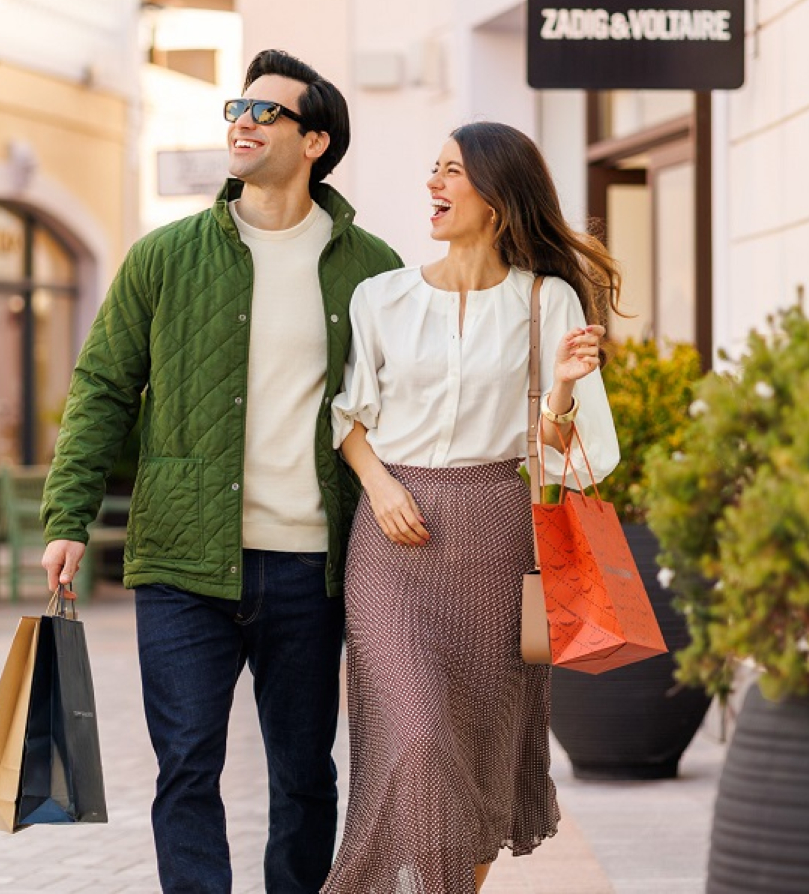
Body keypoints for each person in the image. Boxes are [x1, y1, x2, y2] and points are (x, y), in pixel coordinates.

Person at [39, 49, 401, 894]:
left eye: (264, 111)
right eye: (235, 106)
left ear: (315, 141)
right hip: (181, 562)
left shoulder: (373, 270)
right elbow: (100, 387)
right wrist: (68, 517)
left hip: (314, 568)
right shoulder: (163, 258)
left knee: (305, 777)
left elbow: (403, 409)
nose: (241, 120)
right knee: (186, 769)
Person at [321, 121, 622, 894]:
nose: (434, 184)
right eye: (434, 169)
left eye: (451, 171)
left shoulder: (546, 299)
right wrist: (380, 484)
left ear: (496, 194)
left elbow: (570, 449)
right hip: (392, 542)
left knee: (480, 760)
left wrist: (558, 386)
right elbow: (347, 415)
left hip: (497, 533)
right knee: (415, 738)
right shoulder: (379, 296)